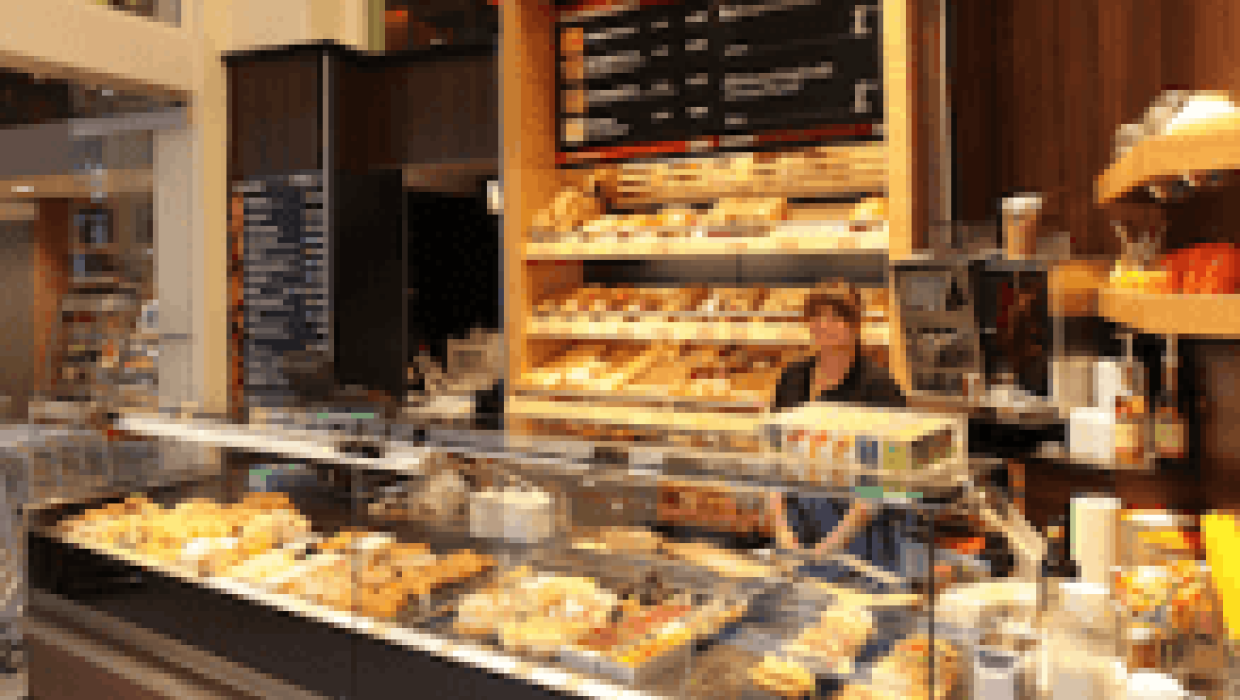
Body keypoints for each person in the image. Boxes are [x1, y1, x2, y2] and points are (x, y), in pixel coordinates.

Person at [766, 282, 911, 578]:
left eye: (835, 316)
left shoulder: (880, 388)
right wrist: (781, 529)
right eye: (816, 315)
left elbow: (889, 478)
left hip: (862, 536)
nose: (823, 324)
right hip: (796, 526)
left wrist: (831, 545)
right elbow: (775, 460)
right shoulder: (791, 380)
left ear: (855, 324)